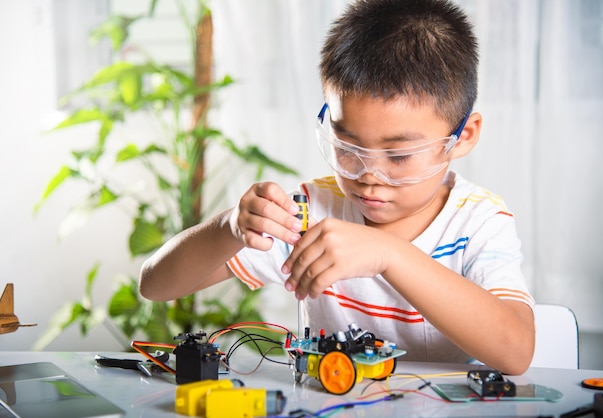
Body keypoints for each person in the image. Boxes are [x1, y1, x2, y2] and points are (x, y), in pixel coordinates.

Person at [139, 0, 535, 375]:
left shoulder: (478, 219)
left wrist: (389, 254)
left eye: (398, 157)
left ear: (462, 136)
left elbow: (515, 351)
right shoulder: (310, 211)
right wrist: (230, 227)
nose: (369, 176)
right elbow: (156, 285)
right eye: (349, 147)